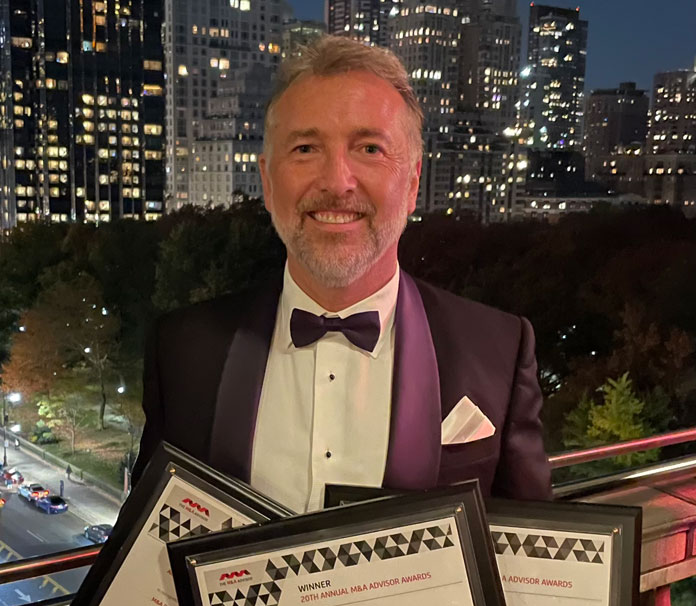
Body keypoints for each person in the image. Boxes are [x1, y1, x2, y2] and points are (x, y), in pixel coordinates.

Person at [135, 36, 552, 512]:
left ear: (412, 184)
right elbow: (149, 535)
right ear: (267, 181)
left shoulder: (499, 350)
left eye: (369, 148)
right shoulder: (182, 349)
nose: (336, 182)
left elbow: (529, 541)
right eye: (306, 148)